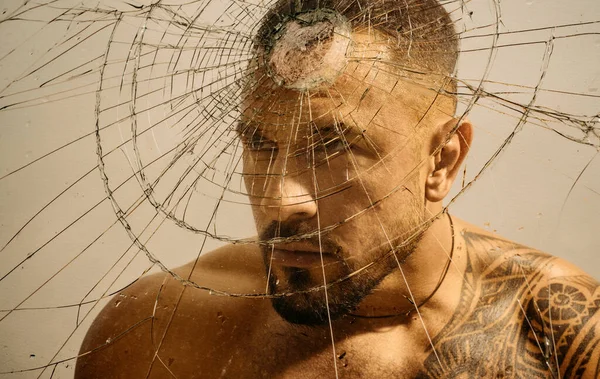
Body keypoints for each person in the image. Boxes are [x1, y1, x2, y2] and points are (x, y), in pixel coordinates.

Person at [75, 0, 600, 377]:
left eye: (332, 148)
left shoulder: (564, 336)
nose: (280, 200)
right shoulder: (156, 330)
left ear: (442, 160)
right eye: (260, 143)